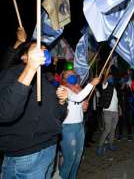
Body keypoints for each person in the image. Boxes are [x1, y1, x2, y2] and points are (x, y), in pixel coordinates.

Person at [0, 43, 68, 179]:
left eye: (45, 49)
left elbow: (58, 116)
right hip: (26, 155)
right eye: (37, 48)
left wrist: (62, 101)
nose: (43, 51)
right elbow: (5, 113)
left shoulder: (47, 80)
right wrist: (30, 68)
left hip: (49, 148)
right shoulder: (10, 74)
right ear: (24, 57)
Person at [59, 70, 100, 179]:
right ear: (63, 79)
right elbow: (77, 98)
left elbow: (80, 104)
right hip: (67, 128)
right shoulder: (62, 89)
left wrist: (84, 107)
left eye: (73, 74)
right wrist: (91, 84)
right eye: (68, 75)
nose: (72, 76)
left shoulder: (78, 89)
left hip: (79, 126)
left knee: (77, 158)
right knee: (69, 159)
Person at [96, 74, 121, 155]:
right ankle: (100, 146)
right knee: (107, 129)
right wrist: (106, 75)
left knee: (113, 129)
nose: (111, 78)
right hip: (107, 111)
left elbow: (117, 99)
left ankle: (111, 144)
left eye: (112, 77)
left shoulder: (115, 87)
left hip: (115, 111)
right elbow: (104, 81)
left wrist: (119, 109)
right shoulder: (105, 86)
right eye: (109, 77)